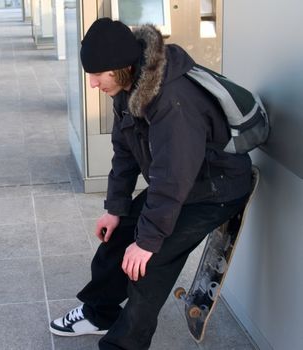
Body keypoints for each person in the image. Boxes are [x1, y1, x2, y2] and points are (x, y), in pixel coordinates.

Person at [49, 18, 253, 349]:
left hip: (213, 189)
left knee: (148, 265)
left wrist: (147, 242)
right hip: (180, 184)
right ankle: (99, 314)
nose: (92, 84)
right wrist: (116, 208)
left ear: (122, 67)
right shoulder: (127, 89)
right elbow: (125, 153)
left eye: (98, 74)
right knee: (117, 238)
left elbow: (173, 178)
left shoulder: (173, 99)